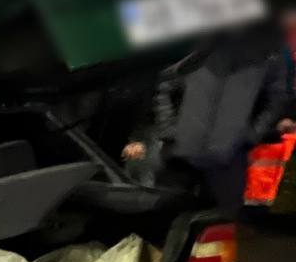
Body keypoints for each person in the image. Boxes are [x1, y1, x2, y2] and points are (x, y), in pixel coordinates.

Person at [122, 22, 290, 214]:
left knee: (218, 218)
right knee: (166, 213)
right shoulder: (198, 50)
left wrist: (252, 133)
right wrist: (169, 128)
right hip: (180, 156)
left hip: (227, 158)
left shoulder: (265, 57)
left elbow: (275, 98)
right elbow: (165, 87)